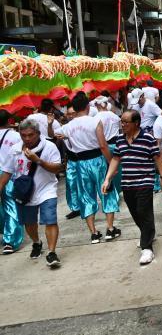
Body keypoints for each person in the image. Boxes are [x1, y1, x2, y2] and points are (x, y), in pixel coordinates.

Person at [102, 110, 162, 265]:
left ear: (136, 123)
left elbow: (157, 158)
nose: (122, 125)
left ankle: (147, 248)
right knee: (136, 213)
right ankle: (147, 233)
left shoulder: (148, 138)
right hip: (127, 183)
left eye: (125, 122)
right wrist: (107, 179)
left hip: (145, 181)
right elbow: (116, 158)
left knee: (144, 212)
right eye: (121, 122)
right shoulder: (120, 139)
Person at [56, 93, 120, 244]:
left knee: (86, 196)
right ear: (87, 106)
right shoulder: (95, 121)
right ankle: (110, 229)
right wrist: (111, 162)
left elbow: (56, 134)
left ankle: (94, 233)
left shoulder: (68, 126)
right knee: (107, 192)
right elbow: (103, 145)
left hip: (80, 164)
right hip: (97, 160)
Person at [0, 119, 63, 267]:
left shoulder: (49, 147)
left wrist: (38, 160)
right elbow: (7, 172)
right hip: (25, 193)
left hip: (47, 189)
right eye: (23, 135)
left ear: (38, 133)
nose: (27, 138)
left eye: (31, 135)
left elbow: (57, 169)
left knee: (50, 220)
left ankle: (52, 252)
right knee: (29, 223)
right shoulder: (15, 149)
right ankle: (36, 242)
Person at [0, 110, 23, 254]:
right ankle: (10, 240)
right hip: (9, 174)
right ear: (9, 120)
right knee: (11, 205)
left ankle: (6, 231)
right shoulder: (16, 136)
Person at [94, 96, 123, 193]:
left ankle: (112, 192)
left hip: (104, 147)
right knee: (118, 169)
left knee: (107, 170)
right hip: (117, 145)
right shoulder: (115, 116)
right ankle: (119, 189)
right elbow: (121, 131)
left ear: (98, 105)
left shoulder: (96, 118)